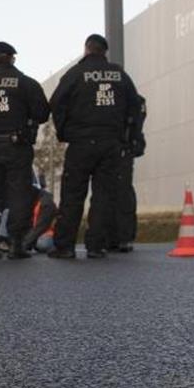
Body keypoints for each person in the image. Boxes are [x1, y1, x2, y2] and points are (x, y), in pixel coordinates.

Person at [48, 34, 142, 259]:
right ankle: (96, 246)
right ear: (104, 52)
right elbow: (136, 107)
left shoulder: (76, 74)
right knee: (103, 196)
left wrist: (64, 132)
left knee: (72, 195)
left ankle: (65, 246)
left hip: (81, 142)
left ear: (87, 49)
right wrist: (128, 137)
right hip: (111, 143)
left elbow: (56, 103)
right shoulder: (120, 75)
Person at [0, 42, 51, 260]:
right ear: (12, 58)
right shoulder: (25, 83)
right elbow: (43, 112)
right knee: (19, 195)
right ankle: (16, 244)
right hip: (17, 146)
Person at [106, 93, 147, 252]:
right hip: (121, 147)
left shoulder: (127, 96)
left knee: (118, 191)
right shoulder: (130, 95)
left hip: (120, 146)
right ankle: (118, 235)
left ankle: (120, 235)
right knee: (119, 190)